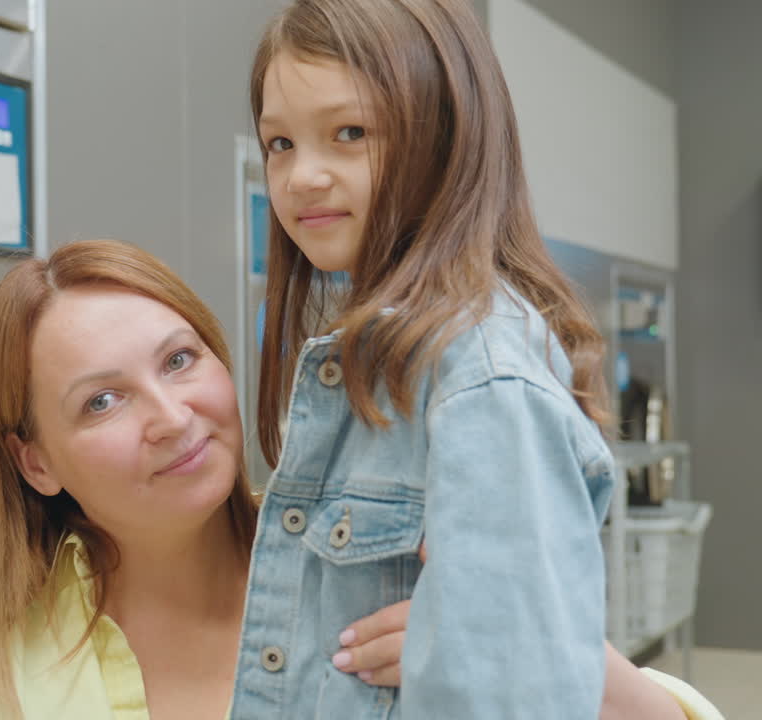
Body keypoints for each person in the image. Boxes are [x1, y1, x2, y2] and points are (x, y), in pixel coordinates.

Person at [0, 241, 719, 720]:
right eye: (100, 400)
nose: (170, 418)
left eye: (180, 361)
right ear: (33, 461)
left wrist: (539, 655)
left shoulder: (375, 586)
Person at [232, 0, 680, 718]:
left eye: (349, 133)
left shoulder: (480, 377)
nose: (302, 176)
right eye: (280, 143)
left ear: (444, 141)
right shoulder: (378, 357)